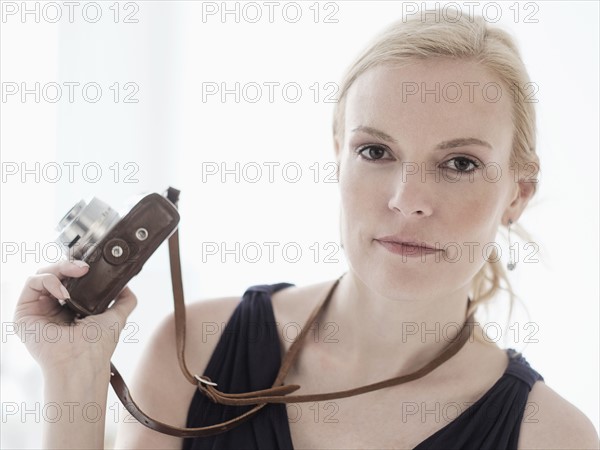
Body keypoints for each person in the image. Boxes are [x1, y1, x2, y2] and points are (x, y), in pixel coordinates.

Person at [14, 11, 599, 450]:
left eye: (460, 164)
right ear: (338, 156)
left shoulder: (552, 436)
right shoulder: (198, 349)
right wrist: (74, 377)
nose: (407, 200)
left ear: (517, 195)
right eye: (376, 150)